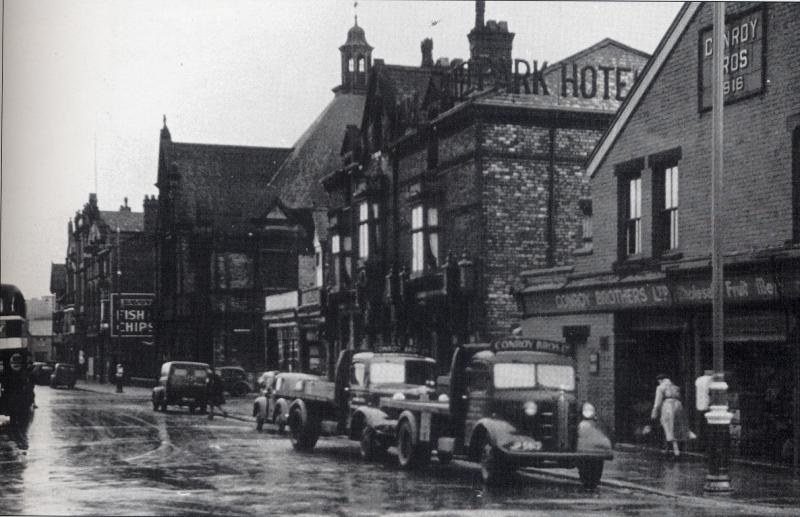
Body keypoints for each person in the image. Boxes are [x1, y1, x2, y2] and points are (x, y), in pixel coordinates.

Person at [651, 373, 690, 459]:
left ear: (660, 380)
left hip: (667, 407)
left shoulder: (660, 387)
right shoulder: (676, 387)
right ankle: (671, 450)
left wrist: (654, 412)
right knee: (677, 428)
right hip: (679, 407)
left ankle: (676, 452)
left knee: (668, 428)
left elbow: (657, 402)